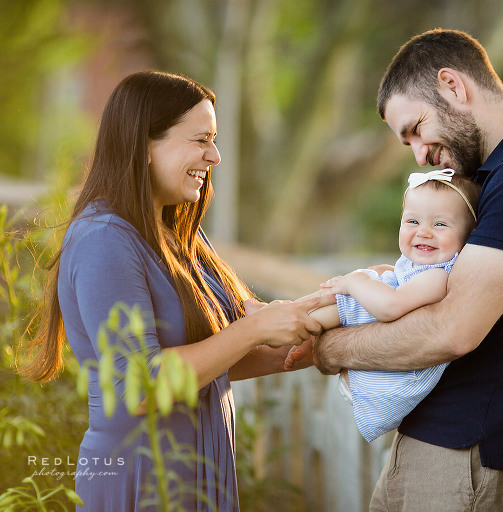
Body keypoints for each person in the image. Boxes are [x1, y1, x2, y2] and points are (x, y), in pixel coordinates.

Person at [20, 70, 333, 511]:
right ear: (145, 145)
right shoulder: (103, 239)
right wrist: (255, 328)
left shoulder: (176, 231)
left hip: (199, 476)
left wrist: (317, 339)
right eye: (201, 139)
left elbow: (214, 360)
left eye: (214, 139)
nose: (216, 156)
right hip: (141, 479)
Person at [313, 29, 503, 512]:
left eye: (416, 129)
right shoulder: (492, 179)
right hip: (441, 447)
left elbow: (450, 330)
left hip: (471, 459)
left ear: (452, 85)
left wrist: (330, 350)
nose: (420, 156)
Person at [292, 169, 479, 442]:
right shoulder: (419, 268)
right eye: (412, 221)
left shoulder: (440, 276)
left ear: (466, 236)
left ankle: (289, 323)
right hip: (374, 363)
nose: (423, 232)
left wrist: (353, 282)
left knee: (353, 293)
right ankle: (288, 321)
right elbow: (398, 280)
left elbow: (390, 306)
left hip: (386, 381)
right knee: (360, 285)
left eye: (440, 225)